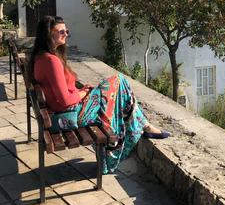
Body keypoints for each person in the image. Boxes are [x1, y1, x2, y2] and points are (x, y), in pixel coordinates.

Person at [28, 15, 170, 174]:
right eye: (61, 31)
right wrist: (83, 93)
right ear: (49, 33)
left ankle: (143, 127)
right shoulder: (51, 61)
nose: (65, 34)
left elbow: (62, 95)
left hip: (64, 112)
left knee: (116, 86)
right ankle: (140, 130)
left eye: (66, 31)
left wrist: (83, 92)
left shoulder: (41, 57)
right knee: (119, 81)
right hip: (71, 115)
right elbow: (65, 101)